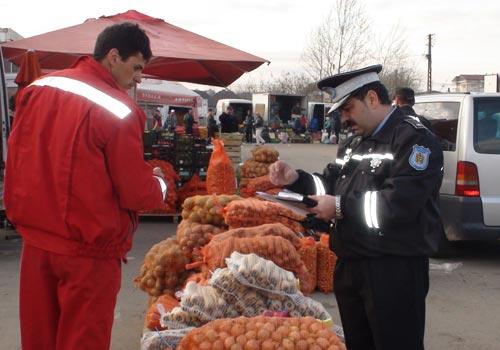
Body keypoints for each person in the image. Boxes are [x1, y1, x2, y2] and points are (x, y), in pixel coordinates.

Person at [4, 23, 168, 350]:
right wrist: (160, 183)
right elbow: (136, 192)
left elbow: (18, 157)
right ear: (113, 56)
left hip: (36, 243)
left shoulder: (37, 88)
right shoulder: (119, 110)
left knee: (39, 338)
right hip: (88, 252)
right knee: (83, 340)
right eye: (136, 67)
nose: (138, 77)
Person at [269, 64, 444, 350]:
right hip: (351, 263)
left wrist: (339, 207)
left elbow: (399, 205)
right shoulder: (355, 142)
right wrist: (296, 179)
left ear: (372, 99)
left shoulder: (414, 139)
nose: (344, 119)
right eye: (341, 113)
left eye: (348, 109)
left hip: (393, 268)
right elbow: (330, 184)